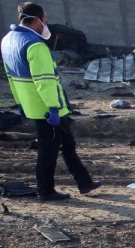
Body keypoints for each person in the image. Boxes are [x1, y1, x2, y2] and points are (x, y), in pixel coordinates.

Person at [1, 2, 101, 201]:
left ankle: (84, 182)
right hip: (46, 107)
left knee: (67, 143)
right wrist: (53, 108)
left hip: (32, 104)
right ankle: (45, 191)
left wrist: (21, 103)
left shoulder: (8, 40)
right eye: (45, 19)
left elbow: (11, 77)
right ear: (37, 19)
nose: (47, 23)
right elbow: (45, 81)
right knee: (49, 150)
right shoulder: (35, 45)